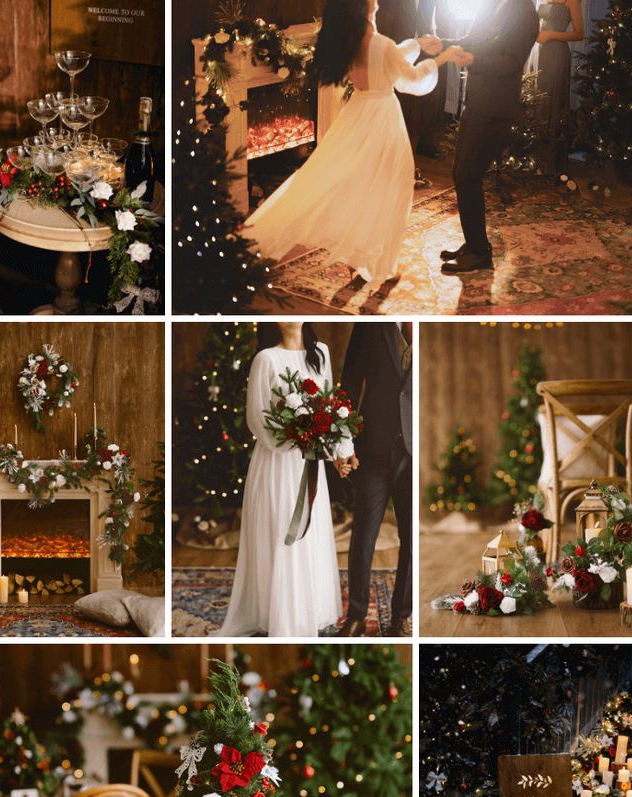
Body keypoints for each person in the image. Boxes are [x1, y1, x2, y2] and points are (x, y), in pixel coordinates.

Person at [243, 0, 467, 286]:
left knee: (356, 184)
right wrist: (442, 58)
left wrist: (417, 44)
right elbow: (409, 79)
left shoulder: (346, 41)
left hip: (357, 113)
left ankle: (355, 256)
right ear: (364, 7)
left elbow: (387, 59)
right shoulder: (381, 44)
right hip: (383, 117)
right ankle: (383, 265)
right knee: (392, 185)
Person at [217, 323, 342, 638]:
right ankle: (279, 614)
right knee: (280, 534)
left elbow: (328, 403)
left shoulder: (321, 353)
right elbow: (256, 418)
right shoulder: (266, 359)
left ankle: (310, 609)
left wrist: (323, 440)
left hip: (310, 463)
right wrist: (294, 440)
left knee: (309, 533)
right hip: (277, 462)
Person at [441, 0, 539, 275]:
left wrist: (473, 60)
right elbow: (471, 40)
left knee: (467, 174)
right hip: (476, 103)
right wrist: (442, 43)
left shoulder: (525, 12)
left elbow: (511, 62)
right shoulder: (494, 4)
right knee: (461, 172)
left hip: (495, 107)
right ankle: (474, 243)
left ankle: (480, 252)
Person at [337, 322, 413, 638]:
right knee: (364, 535)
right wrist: (344, 441)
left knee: (411, 538)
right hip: (372, 446)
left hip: (414, 449)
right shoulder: (370, 325)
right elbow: (350, 383)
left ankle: (402, 616)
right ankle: (355, 615)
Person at [377, 0, 444, 161]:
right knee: (402, 98)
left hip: (426, 43)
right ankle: (398, 144)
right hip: (401, 45)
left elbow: (433, 14)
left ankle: (426, 143)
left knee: (433, 95)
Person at [536, 1, 584, 177]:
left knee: (554, 99)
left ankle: (551, 162)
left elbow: (579, 33)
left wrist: (551, 35)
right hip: (543, 52)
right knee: (541, 100)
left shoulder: (571, 0)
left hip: (557, 53)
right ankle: (537, 158)